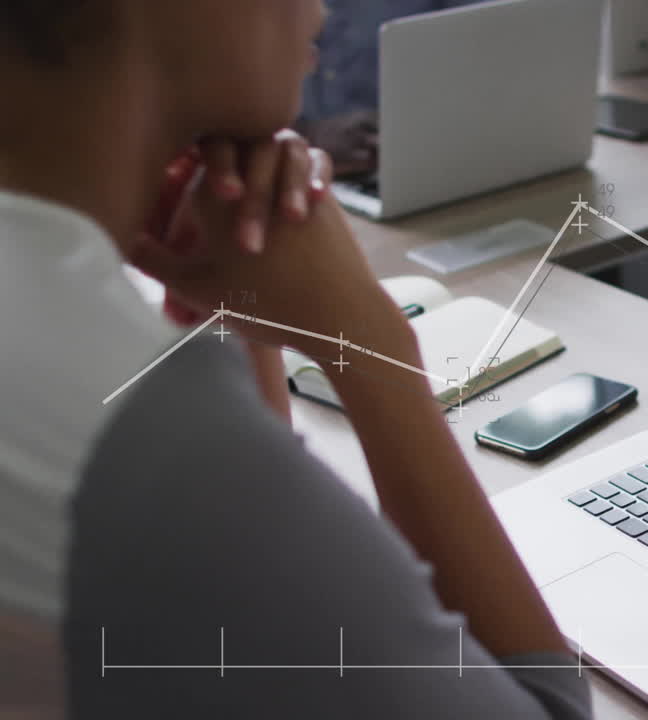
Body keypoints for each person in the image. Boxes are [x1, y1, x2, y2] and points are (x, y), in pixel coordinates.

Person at [0, 1, 589, 717]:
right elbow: (547, 708)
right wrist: (371, 345)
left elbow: (258, 599)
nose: (320, 7)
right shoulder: (150, 435)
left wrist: (239, 304)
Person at [298, 0, 480, 176]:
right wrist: (309, 137)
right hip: (304, 167)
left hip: (415, 163)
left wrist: (402, 127)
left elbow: (481, 61)